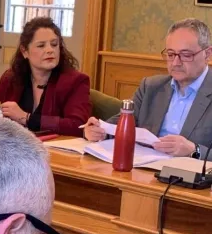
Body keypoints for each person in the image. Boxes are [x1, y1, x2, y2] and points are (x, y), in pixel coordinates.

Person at [84, 18, 212, 158]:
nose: (176, 62)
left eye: (186, 55)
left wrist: (194, 150)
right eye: (170, 54)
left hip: (189, 170)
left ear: (207, 54)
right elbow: (119, 126)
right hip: (144, 166)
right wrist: (97, 131)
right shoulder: (151, 87)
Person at [0, 17, 90, 136]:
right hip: (15, 145)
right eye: (41, 46)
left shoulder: (76, 81)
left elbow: (78, 125)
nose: (50, 50)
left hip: (54, 146)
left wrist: (26, 118)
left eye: (54, 44)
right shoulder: (12, 78)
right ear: (25, 51)